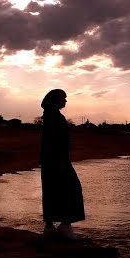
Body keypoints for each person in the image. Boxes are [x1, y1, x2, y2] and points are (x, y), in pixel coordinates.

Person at [39, 89, 85, 239]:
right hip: (57, 159)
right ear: (56, 100)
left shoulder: (51, 116)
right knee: (71, 189)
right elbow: (56, 142)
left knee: (51, 190)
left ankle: (50, 227)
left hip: (50, 159)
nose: (66, 101)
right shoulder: (54, 117)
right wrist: (62, 161)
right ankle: (65, 225)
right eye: (64, 98)